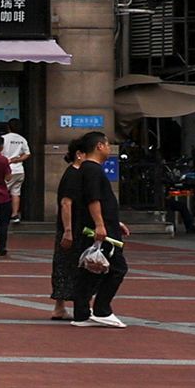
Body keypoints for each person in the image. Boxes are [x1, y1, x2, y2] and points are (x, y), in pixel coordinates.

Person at [55, 130, 130, 328]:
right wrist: (100, 224)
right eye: (107, 145)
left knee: (91, 270)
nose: (108, 149)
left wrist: (114, 222)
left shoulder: (86, 169)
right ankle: (102, 310)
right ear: (99, 146)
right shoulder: (92, 170)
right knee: (117, 268)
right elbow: (93, 199)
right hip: (99, 230)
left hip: (99, 226)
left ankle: (81, 314)